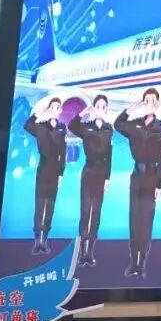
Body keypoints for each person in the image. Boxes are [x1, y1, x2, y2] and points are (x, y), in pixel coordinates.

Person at [115, 88, 161, 279]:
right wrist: (132, 108)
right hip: (137, 176)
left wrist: (159, 183)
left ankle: (141, 262)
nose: (150, 103)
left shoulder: (160, 128)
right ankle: (133, 261)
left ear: (158, 104)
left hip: (151, 178)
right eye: (146, 100)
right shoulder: (134, 125)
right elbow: (118, 124)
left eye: (153, 100)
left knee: (145, 222)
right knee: (134, 220)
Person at [67, 95, 114, 266]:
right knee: (86, 212)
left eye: (103, 106)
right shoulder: (86, 127)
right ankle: (82, 251)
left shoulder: (109, 129)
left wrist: (107, 177)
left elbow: (109, 156)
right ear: (94, 108)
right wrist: (84, 112)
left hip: (101, 174)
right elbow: (72, 126)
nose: (100, 109)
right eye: (98, 106)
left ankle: (90, 252)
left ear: (106, 110)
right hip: (89, 172)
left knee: (96, 213)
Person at [24, 96, 67, 255]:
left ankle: (45, 239)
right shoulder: (41, 126)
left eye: (57, 107)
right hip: (43, 169)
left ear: (60, 110)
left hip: (55, 172)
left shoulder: (62, 128)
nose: (55, 109)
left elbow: (63, 153)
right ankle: (38, 240)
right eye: (52, 107)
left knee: (50, 206)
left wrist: (61, 173)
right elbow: (27, 126)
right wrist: (40, 113)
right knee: (40, 204)